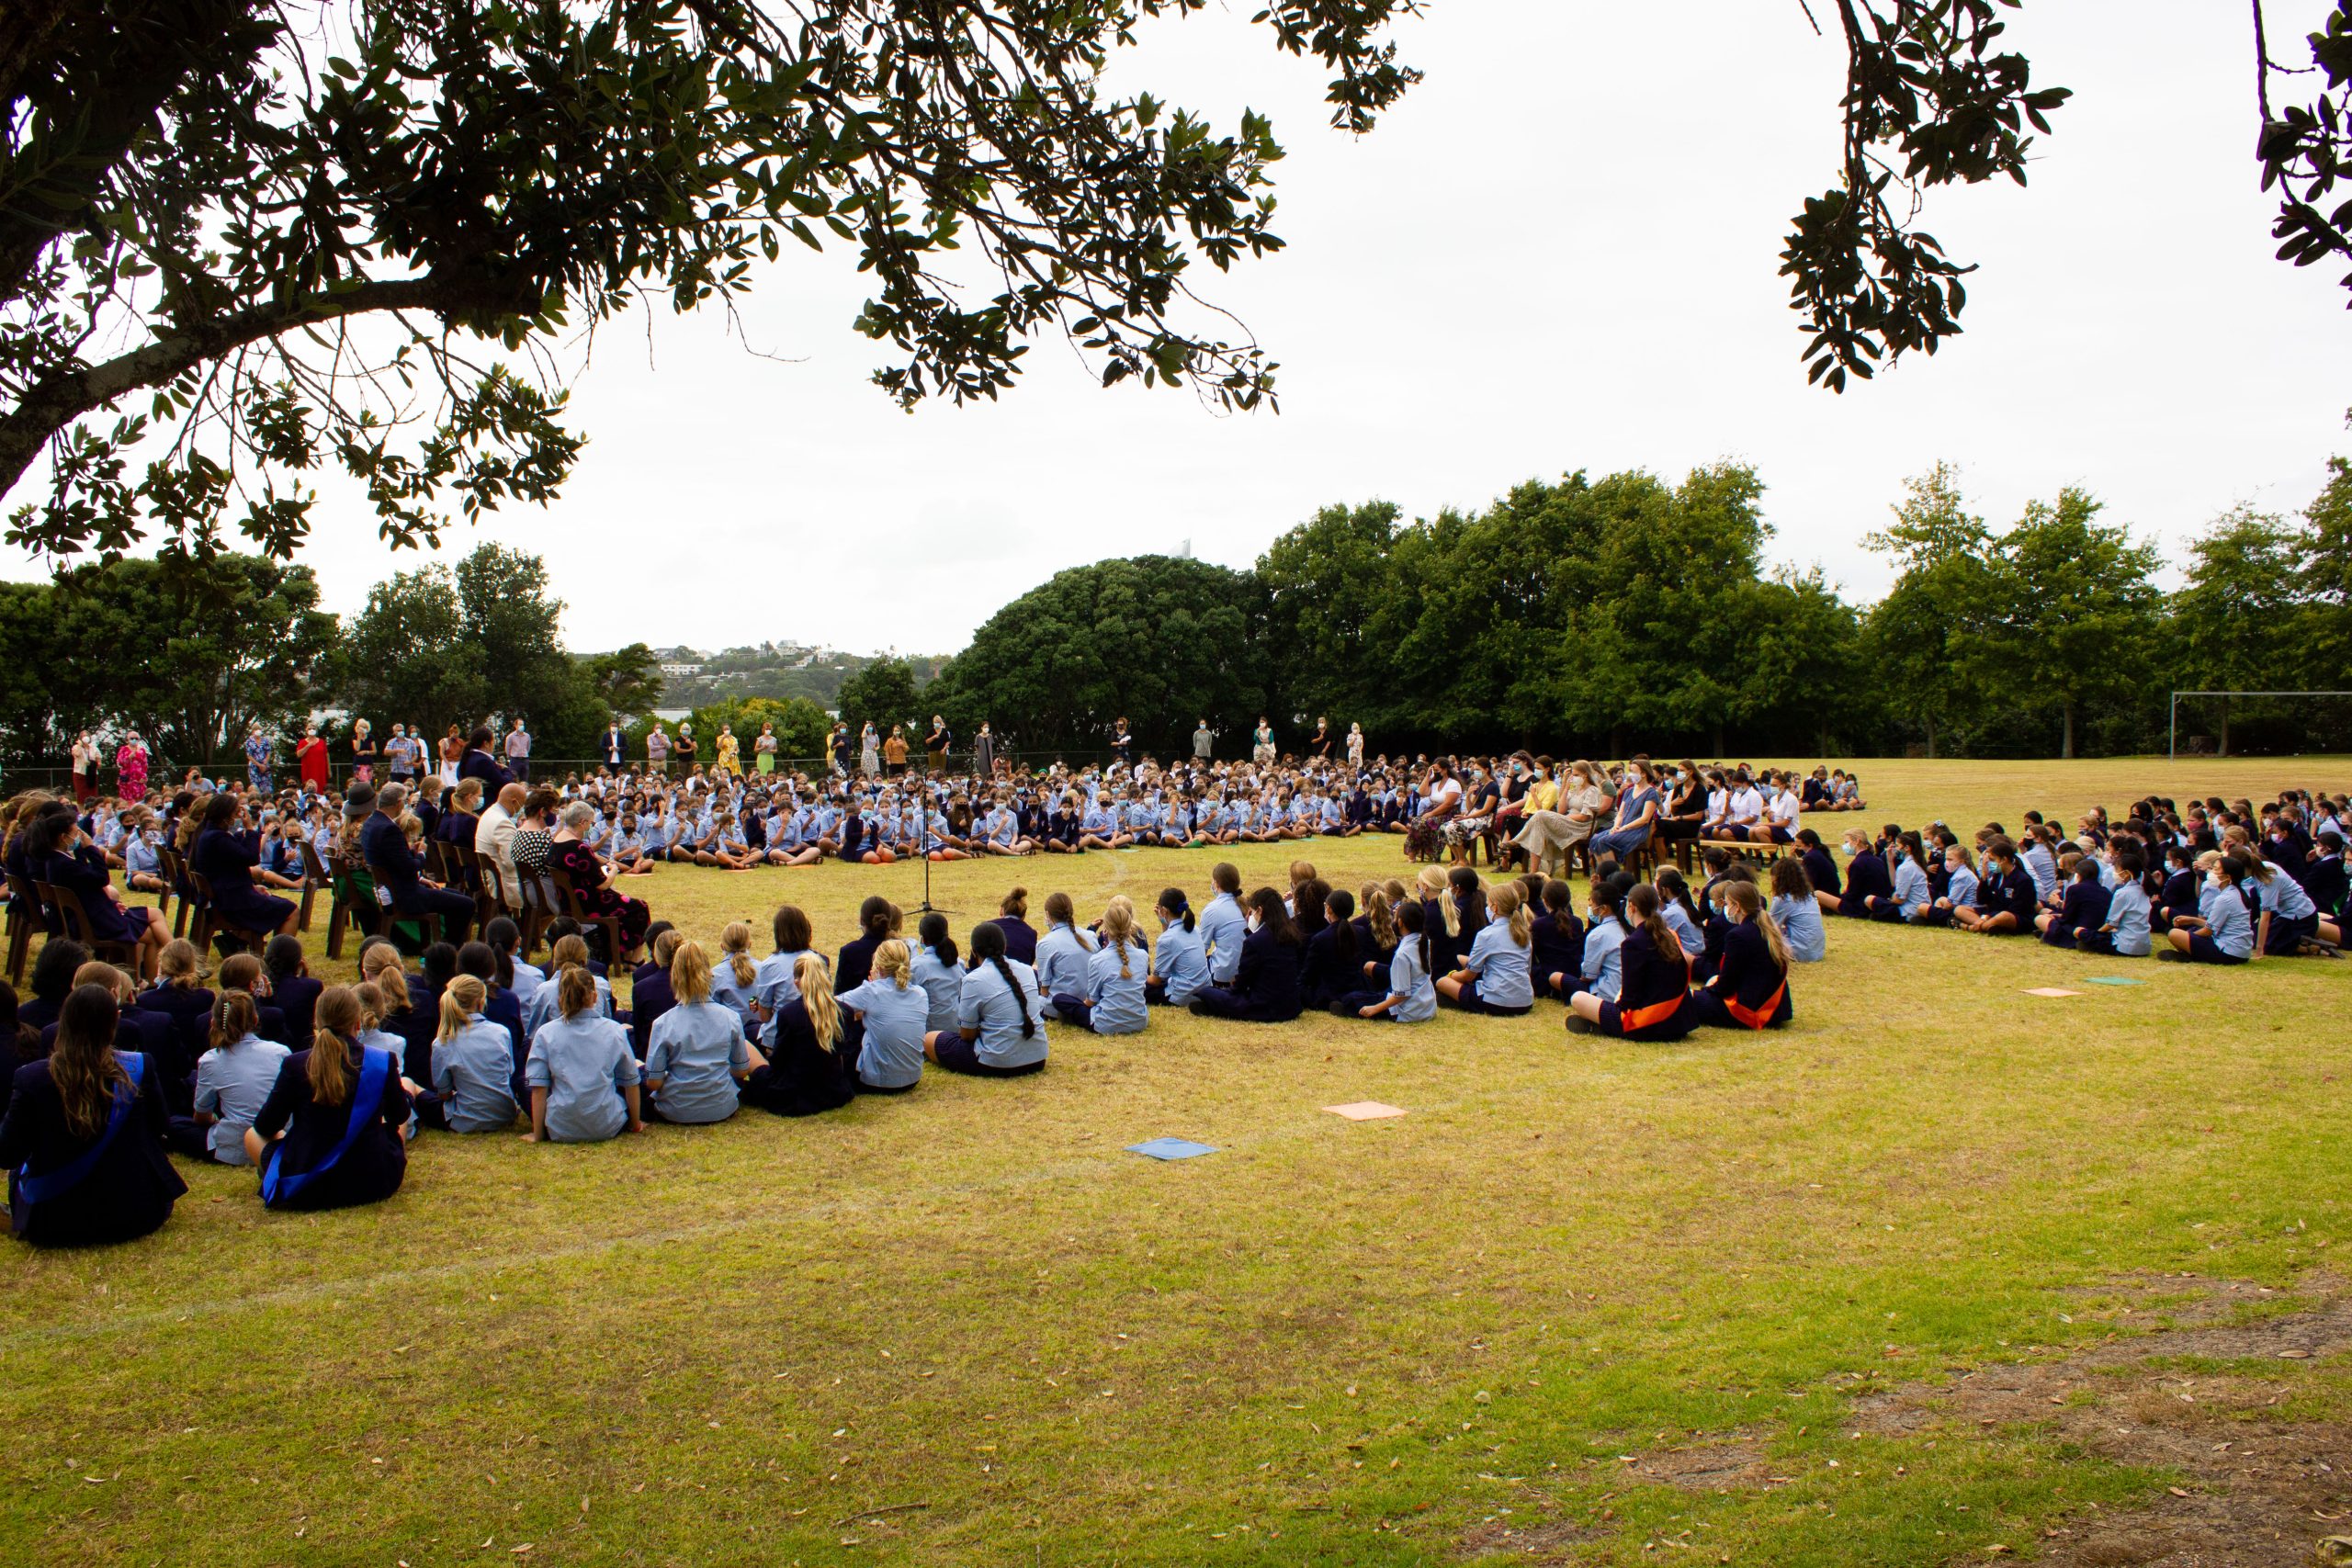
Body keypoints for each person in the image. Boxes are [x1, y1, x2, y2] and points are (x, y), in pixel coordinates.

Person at [0, 982, 186, 1246]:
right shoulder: (141, 1066)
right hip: (137, 1212)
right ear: (116, 1022)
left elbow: (8, 1153)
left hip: (53, 1222)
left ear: (62, 1023)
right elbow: (160, 1126)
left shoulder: (31, 1078)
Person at [246, 985, 413, 1211]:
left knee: (251, 1135)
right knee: (392, 1122)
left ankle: (274, 1171)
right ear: (357, 1022)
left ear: (316, 1022)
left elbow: (265, 1126)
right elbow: (400, 1115)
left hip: (308, 1185)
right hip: (373, 1181)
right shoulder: (382, 1061)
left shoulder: (296, 1064)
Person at [27, 804, 167, 976]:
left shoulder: (56, 860)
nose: (79, 836)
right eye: (75, 832)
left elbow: (88, 883)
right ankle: (159, 975)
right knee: (151, 935)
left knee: (155, 915)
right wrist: (90, 848)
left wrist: (80, 850)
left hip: (92, 915)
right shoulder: (64, 865)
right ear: (64, 837)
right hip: (97, 922)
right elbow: (101, 878)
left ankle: (167, 967)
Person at [524, 966, 642, 1142]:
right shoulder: (614, 1031)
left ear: (560, 999)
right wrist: (635, 1124)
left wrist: (538, 1135)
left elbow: (539, 1088)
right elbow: (631, 1082)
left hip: (561, 1126)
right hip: (607, 1123)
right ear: (594, 997)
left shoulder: (545, 1033)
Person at [645, 942, 759, 1122]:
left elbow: (654, 1082)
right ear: (709, 974)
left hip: (677, 1109)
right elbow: (741, 1070)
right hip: (721, 1105)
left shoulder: (663, 1023)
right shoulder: (730, 1018)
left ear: (674, 977)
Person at [1567, 884, 1695, 1041]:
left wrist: (1614, 1007)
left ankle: (1603, 1025)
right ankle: (1600, 1024)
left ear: (1631, 907)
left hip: (1648, 1023)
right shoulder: (1669, 935)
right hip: (1679, 1020)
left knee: (1578, 998)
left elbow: (1629, 998)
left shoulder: (1633, 943)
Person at [175, 989, 289, 1164]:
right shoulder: (280, 1052)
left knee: (175, 1124)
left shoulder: (211, 1059)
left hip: (237, 1146)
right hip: (280, 1139)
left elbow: (201, 1116)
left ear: (213, 1022)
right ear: (256, 1019)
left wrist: (215, 1120)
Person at [925, 921, 1048, 1076]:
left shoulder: (973, 980)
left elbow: (966, 1035)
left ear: (973, 952)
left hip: (996, 1062)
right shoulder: (1027, 970)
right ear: (1004, 947)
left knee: (929, 1039)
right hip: (1037, 1058)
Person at [361, 784, 474, 944]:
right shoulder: (388, 829)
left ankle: (446, 945)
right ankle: (450, 948)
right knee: (466, 904)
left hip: (396, 888)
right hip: (406, 895)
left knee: (457, 896)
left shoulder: (371, 823)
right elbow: (409, 867)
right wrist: (421, 853)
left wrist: (419, 875)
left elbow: (394, 862)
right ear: (399, 803)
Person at [743, 953, 856, 1112]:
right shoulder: (845, 1011)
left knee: (745, 1044)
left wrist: (769, 1055)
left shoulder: (789, 1014)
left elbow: (778, 1063)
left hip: (795, 1093)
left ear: (797, 983)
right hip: (833, 1090)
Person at [1188, 888, 1305, 1022]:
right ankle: (1211, 1007)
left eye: (1252, 912)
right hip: (1291, 1005)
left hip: (1264, 1006)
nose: (1249, 916)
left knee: (1206, 992)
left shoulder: (1255, 941)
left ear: (1259, 911)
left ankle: (1213, 1007)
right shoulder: (1292, 933)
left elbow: (1241, 985)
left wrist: (1227, 991)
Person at [1689, 881, 1794, 1030]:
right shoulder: (1766, 928)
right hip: (1776, 1009)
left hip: (1748, 1009)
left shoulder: (1738, 935)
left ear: (1736, 906)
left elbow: (1726, 986)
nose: (1725, 908)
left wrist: (1707, 990)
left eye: (1727, 903)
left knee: (1687, 998)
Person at [548, 802, 650, 957]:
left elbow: (590, 860)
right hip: (589, 905)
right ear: (582, 823)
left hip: (569, 901)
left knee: (623, 899)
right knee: (640, 907)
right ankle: (634, 958)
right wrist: (614, 870)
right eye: (590, 823)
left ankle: (625, 953)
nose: (591, 826)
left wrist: (605, 862)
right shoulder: (579, 848)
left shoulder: (557, 842)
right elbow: (604, 884)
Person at [429, 975, 521, 1133]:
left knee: (414, 1089)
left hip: (465, 1119)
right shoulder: (501, 1033)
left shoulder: (443, 1043)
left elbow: (444, 1094)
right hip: (505, 1114)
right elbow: (509, 1072)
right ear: (481, 1002)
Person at [837, 939, 929, 1092]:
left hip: (877, 1082)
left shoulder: (871, 991)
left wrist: (872, 986)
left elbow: (831, 1005)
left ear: (878, 968)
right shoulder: (921, 994)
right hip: (912, 1078)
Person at [1054, 897, 1148, 1034]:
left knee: (1059, 999)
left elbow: (1091, 1002)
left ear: (1106, 929)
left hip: (1106, 1023)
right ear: (1130, 926)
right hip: (1139, 1021)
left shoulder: (1097, 959)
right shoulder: (1142, 956)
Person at [1436, 882, 1534, 1015]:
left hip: (1497, 1002)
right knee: (1459, 958)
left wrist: (1451, 975)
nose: (1487, 908)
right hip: (1526, 1000)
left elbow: (1468, 976)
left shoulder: (1486, 934)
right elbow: (1526, 970)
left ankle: (1463, 1000)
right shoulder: (1524, 934)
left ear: (1494, 907)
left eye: (1488, 904)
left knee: (1442, 982)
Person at [1336, 898, 1436, 1021]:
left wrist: (1374, 1009)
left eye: (1395, 917)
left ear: (1400, 923)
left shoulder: (1402, 954)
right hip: (1426, 1005)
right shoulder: (1424, 940)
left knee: (1351, 999)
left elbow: (1401, 996)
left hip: (1408, 1010)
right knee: (1375, 985)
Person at [1144, 888, 1210, 1006]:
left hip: (1183, 994)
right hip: (1203, 989)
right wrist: (1164, 924)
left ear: (1164, 911)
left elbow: (1156, 981)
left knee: (1142, 988)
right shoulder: (1194, 929)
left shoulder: (1167, 939)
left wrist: (1137, 975)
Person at [1200, 863, 1248, 983]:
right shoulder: (1248, 904)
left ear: (1216, 883)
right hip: (1248, 973)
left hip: (1223, 976)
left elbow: (1201, 952)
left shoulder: (1211, 910)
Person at [115, 729, 151, 802]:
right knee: (127, 801)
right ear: (127, 740)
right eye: (132, 738)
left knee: (140, 799)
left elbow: (145, 765)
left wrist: (144, 777)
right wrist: (129, 757)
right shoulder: (123, 749)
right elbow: (120, 762)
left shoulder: (142, 750)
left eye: (136, 738)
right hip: (127, 780)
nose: (134, 740)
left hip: (139, 780)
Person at [296, 723, 329, 793]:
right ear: (306, 730)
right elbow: (299, 754)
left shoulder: (322, 742)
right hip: (308, 768)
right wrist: (308, 746)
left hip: (320, 769)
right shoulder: (302, 742)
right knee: (308, 785)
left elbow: (326, 755)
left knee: (321, 786)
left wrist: (329, 770)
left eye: (313, 728)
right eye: (310, 728)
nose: (312, 730)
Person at [70, 730, 98, 804]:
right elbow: (77, 754)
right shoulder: (76, 747)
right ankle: (82, 813)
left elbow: (99, 761)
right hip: (80, 773)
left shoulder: (94, 748)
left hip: (91, 774)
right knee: (81, 796)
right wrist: (79, 745)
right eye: (83, 736)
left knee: (93, 796)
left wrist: (93, 763)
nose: (85, 737)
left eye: (86, 735)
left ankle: (92, 811)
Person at [348, 718, 376, 785]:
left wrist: (366, 752)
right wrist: (359, 737)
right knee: (359, 782)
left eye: (364, 727)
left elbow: (374, 751)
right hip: (358, 763)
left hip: (368, 762)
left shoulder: (370, 737)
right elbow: (356, 749)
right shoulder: (355, 737)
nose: (363, 729)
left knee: (369, 781)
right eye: (361, 727)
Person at [504, 716, 532, 782]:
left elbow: (528, 747)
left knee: (524, 779)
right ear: (516, 726)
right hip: (515, 760)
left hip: (525, 760)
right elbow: (507, 749)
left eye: (523, 725)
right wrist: (510, 756)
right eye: (520, 725)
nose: (522, 726)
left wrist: (525, 754)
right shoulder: (510, 737)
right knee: (512, 778)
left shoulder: (527, 736)